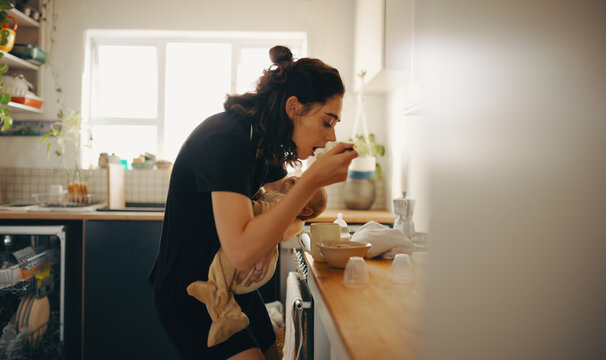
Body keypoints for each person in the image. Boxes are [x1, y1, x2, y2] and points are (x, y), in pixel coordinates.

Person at [148, 45, 357, 360]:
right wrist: (312, 179)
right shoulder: (227, 140)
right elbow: (242, 251)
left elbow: (277, 204)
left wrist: (302, 195)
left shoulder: (262, 144)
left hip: (230, 286)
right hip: (194, 292)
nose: (331, 136)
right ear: (294, 107)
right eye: (327, 122)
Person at [186, 178, 327, 347]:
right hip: (253, 271)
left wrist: (246, 204)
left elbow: (257, 211)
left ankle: (223, 306)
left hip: (251, 269)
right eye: (301, 179)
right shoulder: (282, 201)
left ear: (304, 209)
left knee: (224, 260)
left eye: (302, 187)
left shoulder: (282, 203)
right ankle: (222, 301)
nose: (296, 179)